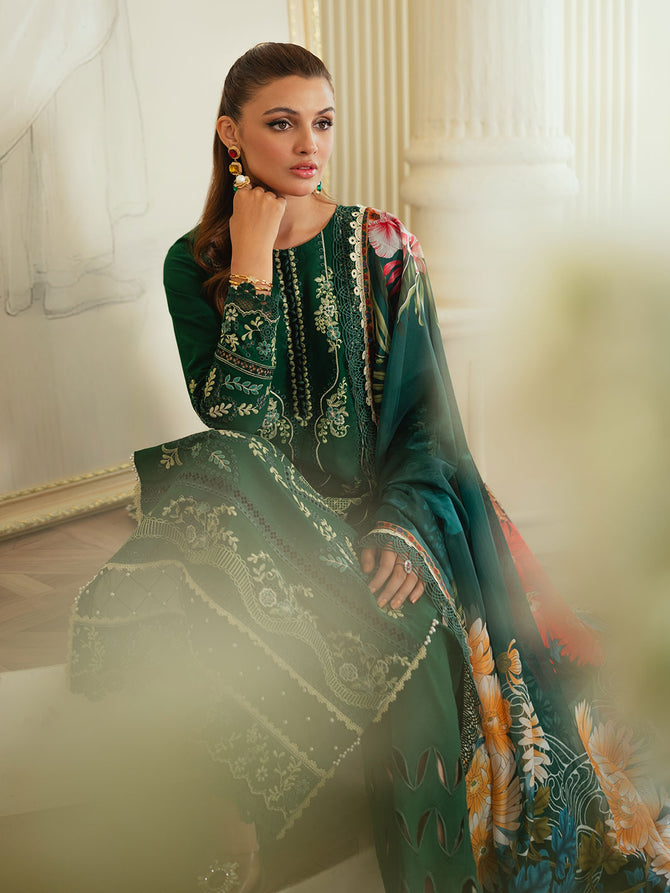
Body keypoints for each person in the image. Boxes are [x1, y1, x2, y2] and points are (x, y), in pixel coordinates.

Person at [69, 42, 670, 893]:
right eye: (282, 124)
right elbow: (236, 422)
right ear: (231, 135)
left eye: (322, 123)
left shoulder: (380, 246)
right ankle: (237, 834)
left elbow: (430, 420)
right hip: (274, 518)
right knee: (211, 466)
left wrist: (401, 524)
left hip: (397, 512)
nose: (308, 145)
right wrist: (251, 264)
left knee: (402, 633)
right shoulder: (192, 263)